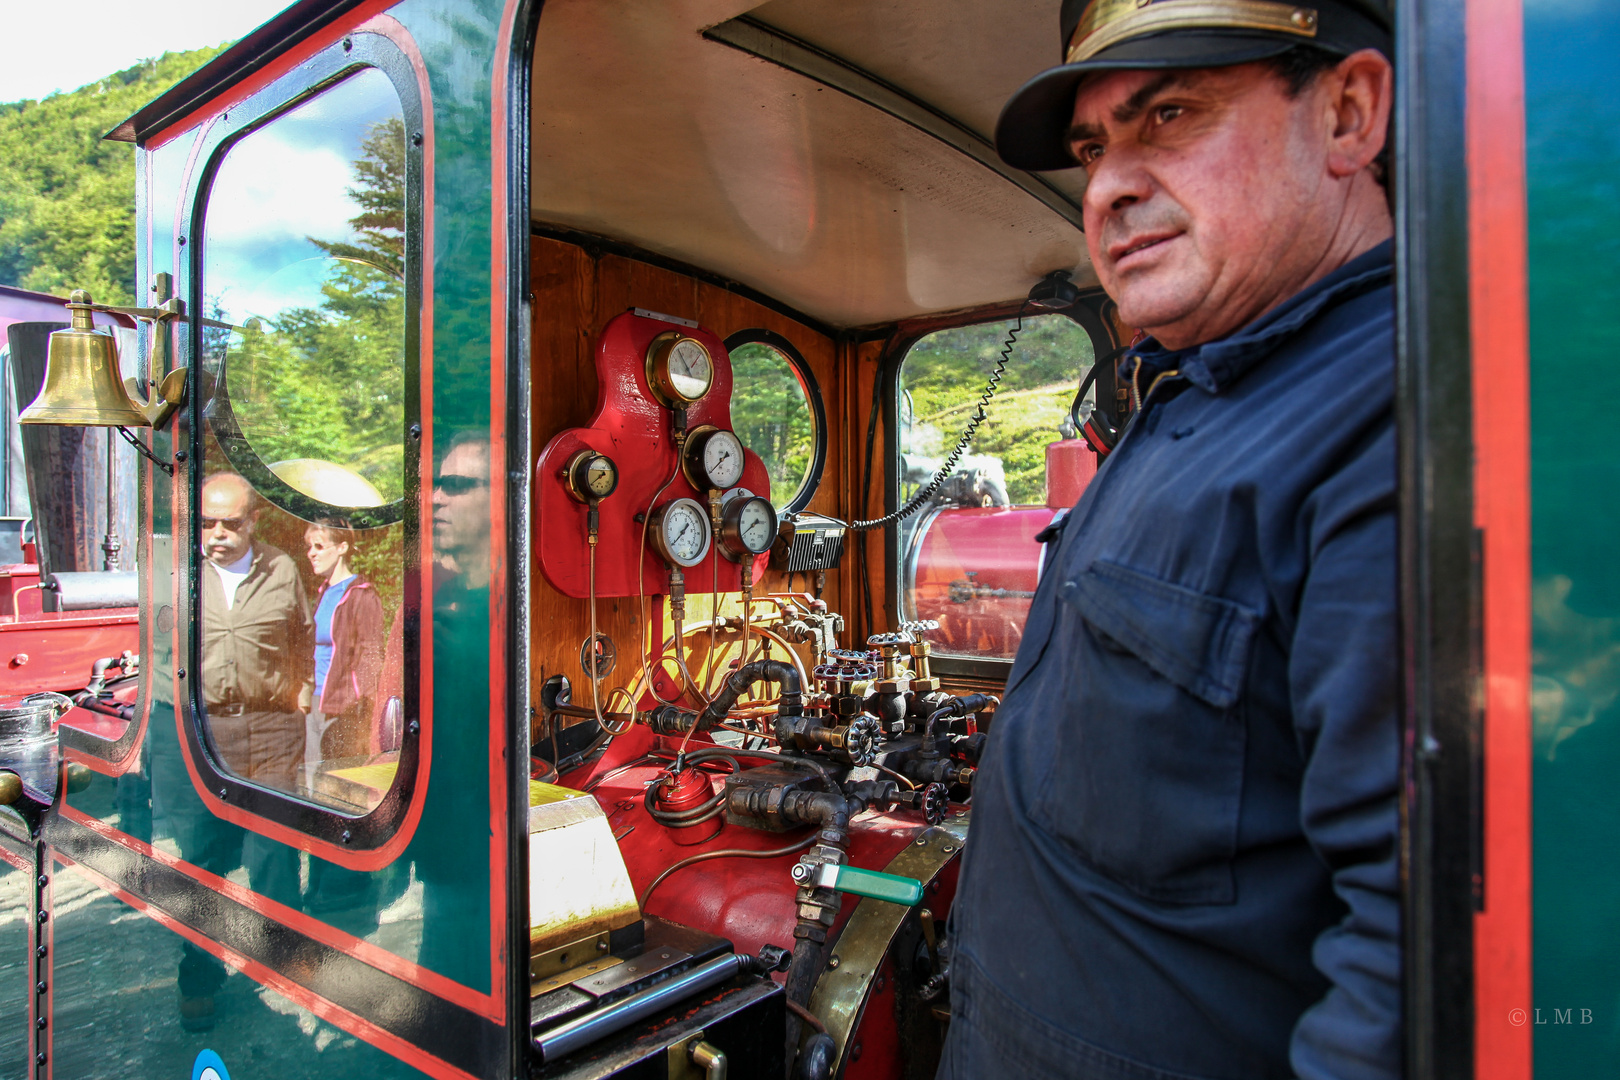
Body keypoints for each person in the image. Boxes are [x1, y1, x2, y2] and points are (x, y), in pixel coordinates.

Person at [941, 3, 1400, 1079]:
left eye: (1172, 116)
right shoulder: (1197, 391)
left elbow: (1416, 974)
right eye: (1096, 149)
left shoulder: (1393, 421)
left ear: (1349, 114)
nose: (1106, 188)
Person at [198, 471, 314, 791]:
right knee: (211, 839)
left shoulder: (280, 568)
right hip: (204, 730)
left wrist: (303, 698)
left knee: (274, 837)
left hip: (273, 730)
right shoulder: (182, 574)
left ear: (253, 520)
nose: (217, 533)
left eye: (230, 523)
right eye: (207, 523)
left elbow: (303, 638)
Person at [304, 517, 385, 766]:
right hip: (314, 700)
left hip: (343, 705)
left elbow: (372, 655)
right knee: (310, 779)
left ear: (342, 547)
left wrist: (363, 706)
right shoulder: (323, 593)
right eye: (309, 547)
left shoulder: (362, 594)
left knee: (334, 777)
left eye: (319, 546)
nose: (311, 554)